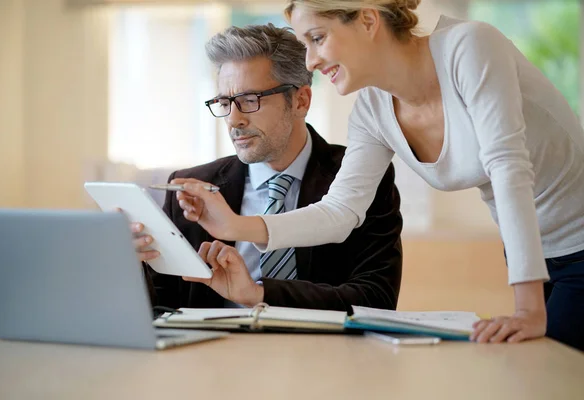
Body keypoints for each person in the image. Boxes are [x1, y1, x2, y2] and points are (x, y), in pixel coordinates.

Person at [174, 0, 584, 351]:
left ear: (368, 20)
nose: (311, 61)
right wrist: (236, 226)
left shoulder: (470, 47)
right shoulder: (372, 108)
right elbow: (339, 212)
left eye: (317, 38)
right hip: (537, 251)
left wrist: (528, 309)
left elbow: (509, 166)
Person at [133, 23, 403, 312]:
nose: (234, 120)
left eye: (250, 100)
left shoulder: (359, 177)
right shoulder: (192, 187)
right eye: (225, 102)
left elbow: (376, 298)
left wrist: (259, 293)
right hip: (213, 355)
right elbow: (163, 307)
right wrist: (132, 265)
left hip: (322, 354)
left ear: (301, 100)